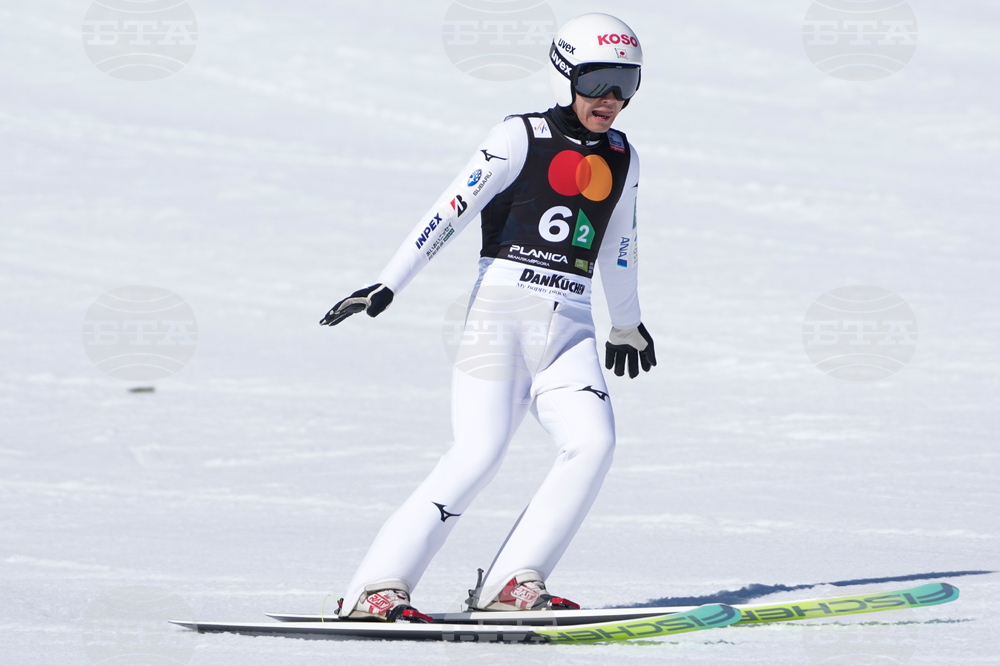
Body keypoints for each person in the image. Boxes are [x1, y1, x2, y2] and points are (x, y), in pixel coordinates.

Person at [320, 13, 656, 623]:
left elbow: (620, 242)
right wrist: (391, 281)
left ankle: (512, 583)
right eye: (597, 81)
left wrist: (626, 322)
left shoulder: (622, 155)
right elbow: (453, 206)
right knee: (478, 453)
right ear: (564, 75)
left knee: (594, 443)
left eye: (626, 83)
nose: (611, 98)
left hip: (571, 324)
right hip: (502, 315)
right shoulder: (518, 136)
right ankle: (374, 589)